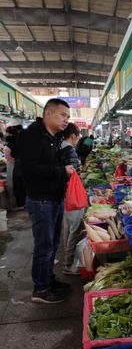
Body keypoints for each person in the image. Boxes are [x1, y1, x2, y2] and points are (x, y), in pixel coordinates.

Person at [20, 98, 74, 304]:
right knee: (44, 245)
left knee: (52, 243)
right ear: (48, 113)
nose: (66, 120)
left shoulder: (55, 137)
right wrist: (62, 171)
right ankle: (40, 289)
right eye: (63, 115)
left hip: (55, 198)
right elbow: (29, 169)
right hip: (41, 200)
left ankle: (48, 280)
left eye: (68, 117)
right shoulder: (31, 136)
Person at [61, 123, 83, 275]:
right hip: (71, 195)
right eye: (78, 136)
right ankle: (68, 264)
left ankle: (66, 260)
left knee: (67, 228)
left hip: (63, 194)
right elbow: (71, 172)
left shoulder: (59, 146)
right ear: (73, 136)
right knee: (74, 229)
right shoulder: (69, 149)